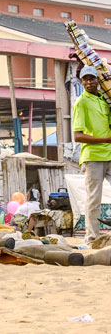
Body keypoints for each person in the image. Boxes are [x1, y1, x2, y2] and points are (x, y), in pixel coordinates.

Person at [72, 66, 111, 242]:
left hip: (109, 154)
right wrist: (106, 140)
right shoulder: (81, 102)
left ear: (98, 80)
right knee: (94, 199)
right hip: (93, 156)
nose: (89, 82)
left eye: (92, 79)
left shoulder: (104, 100)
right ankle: (92, 238)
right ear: (81, 82)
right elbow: (78, 135)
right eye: (85, 79)